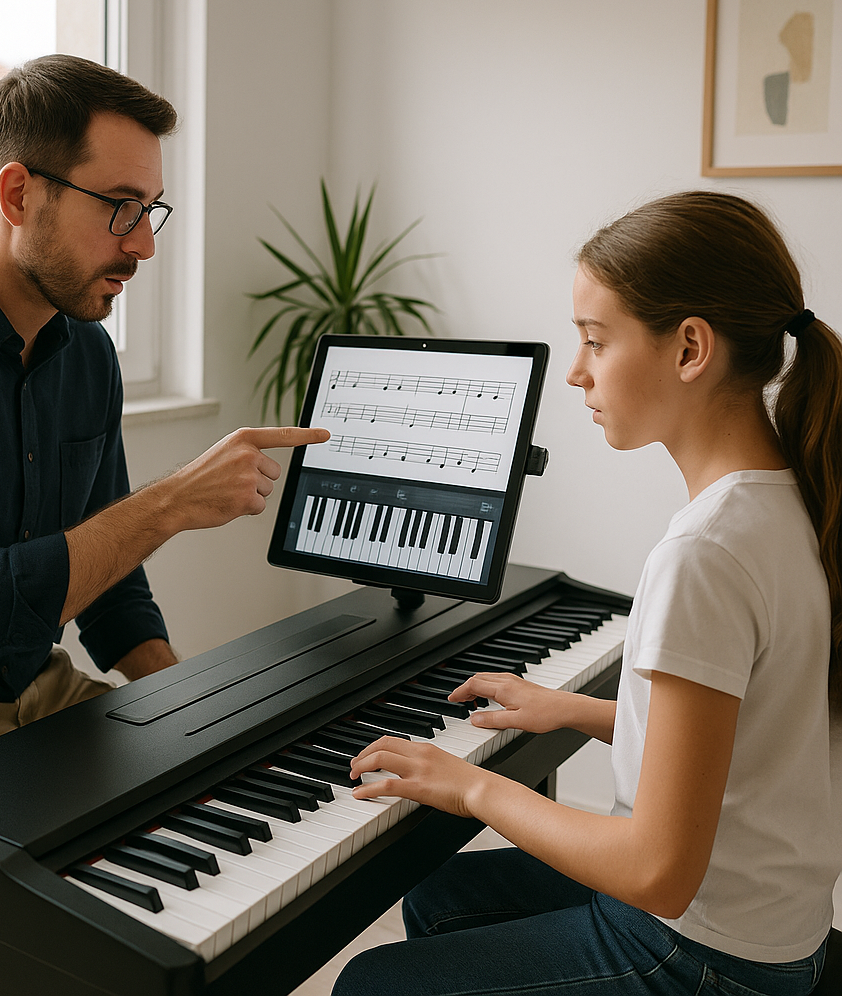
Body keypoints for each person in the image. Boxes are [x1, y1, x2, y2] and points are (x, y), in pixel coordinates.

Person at [0, 54, 325, 995]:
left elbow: (110, 579)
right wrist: (168, 503)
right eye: (120, 208)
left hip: (33, 688)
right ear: (19, 192)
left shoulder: (84, 349)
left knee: (239, 808)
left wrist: (189, 711)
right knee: (32, 935)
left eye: (152, 211)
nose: (144, 244)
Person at [333, 191, 842, 996]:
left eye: (596, 342)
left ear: (689, 349)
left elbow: (659, 871)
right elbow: (751, 734)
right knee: (445, 899)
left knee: (371, 983)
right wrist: (574, 710)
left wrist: (472, 786)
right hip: (775, 926)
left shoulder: (705, 552)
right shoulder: (793, 500)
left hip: (708, 954)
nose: (574, 373)